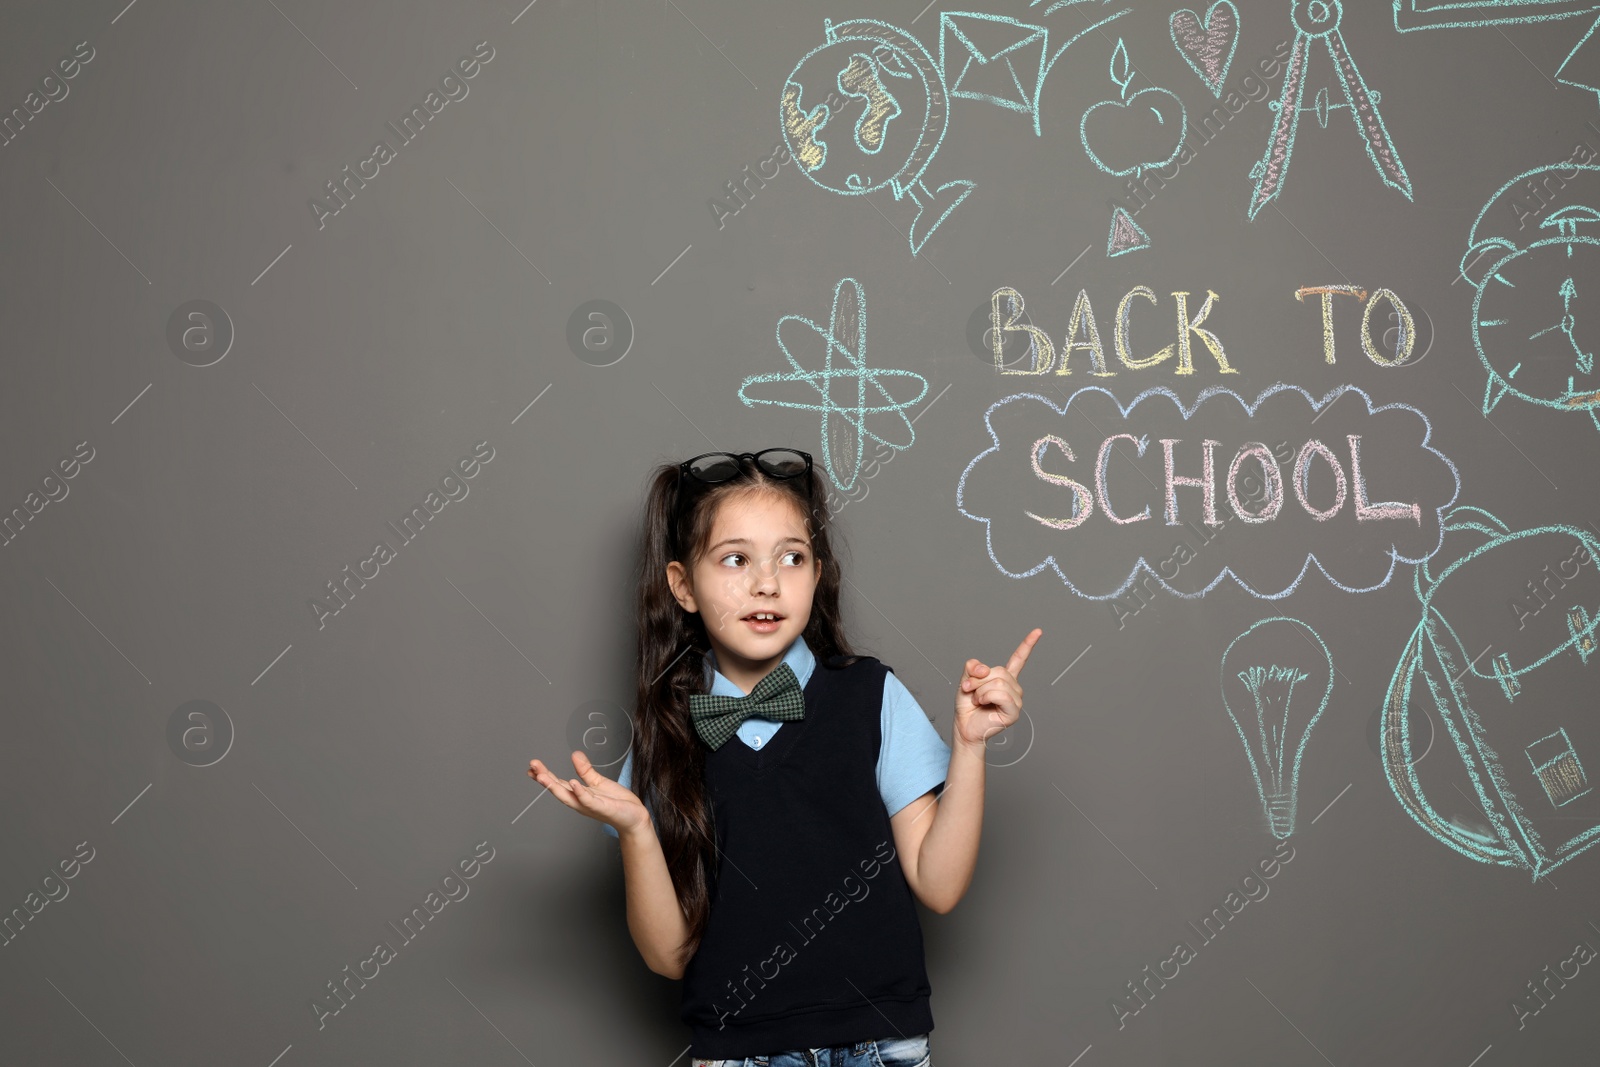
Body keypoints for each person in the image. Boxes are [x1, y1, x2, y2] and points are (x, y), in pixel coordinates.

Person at [529, 448, 1041, 1067]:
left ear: (817, 575)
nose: (766, 582)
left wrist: (970, 746)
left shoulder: (872, 696)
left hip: (882, 1045)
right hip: (737, 1053)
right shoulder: (664, 736)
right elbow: (668, 958)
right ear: (683, 586)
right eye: (736, 559)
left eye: (791, 558)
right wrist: (637, 829)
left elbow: (939, 885)